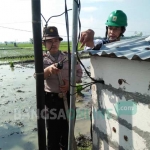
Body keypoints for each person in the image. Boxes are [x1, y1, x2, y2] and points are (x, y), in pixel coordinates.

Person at [79, 10, 128, 140]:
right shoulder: (102, 43)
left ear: (122, 31)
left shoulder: (126, 47)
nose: (112, 31)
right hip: (101, 93)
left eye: (115, 29)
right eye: (110, 28)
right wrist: (90, 37)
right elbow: (93, 45)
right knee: (98, 125)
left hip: (119, 94)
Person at [43, 26, 83, 150]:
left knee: (68, 131)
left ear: (60, 41)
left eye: (56, 40)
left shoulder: (69, 57)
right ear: (44, 43)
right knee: (53, 134)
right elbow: (37, 77)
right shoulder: (42, 60)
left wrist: (70, 83)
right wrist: (48, 70)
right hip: (51, 101)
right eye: (49, 41)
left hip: (68, 99)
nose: (53, 43)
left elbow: (79, 75)